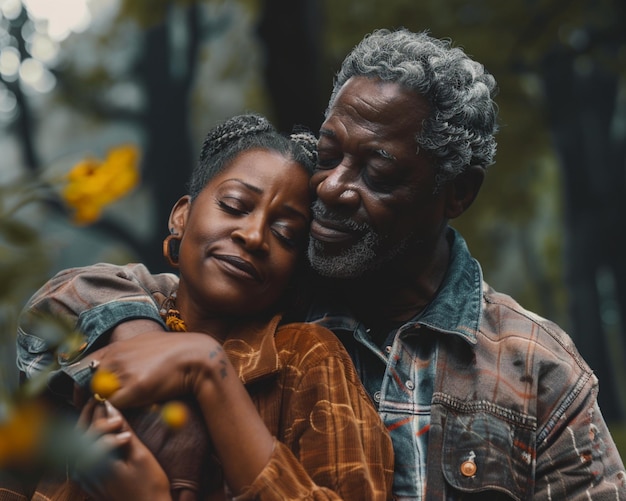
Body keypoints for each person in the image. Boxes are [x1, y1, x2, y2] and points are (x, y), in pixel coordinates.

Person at [13, 28, 626, 499]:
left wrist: (204, 372)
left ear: (457, 193)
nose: (332, 188)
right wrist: (145, 341)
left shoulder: (539, 373)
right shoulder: (268, 294)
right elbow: (78, 300)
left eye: (378, 173)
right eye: (327, 154)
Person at [5, 114, 394, 500]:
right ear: (182, 216)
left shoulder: (308, 358)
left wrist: (208, 366)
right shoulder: (107, 318)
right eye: (235, 205)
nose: (254, 235)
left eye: (285, 233)